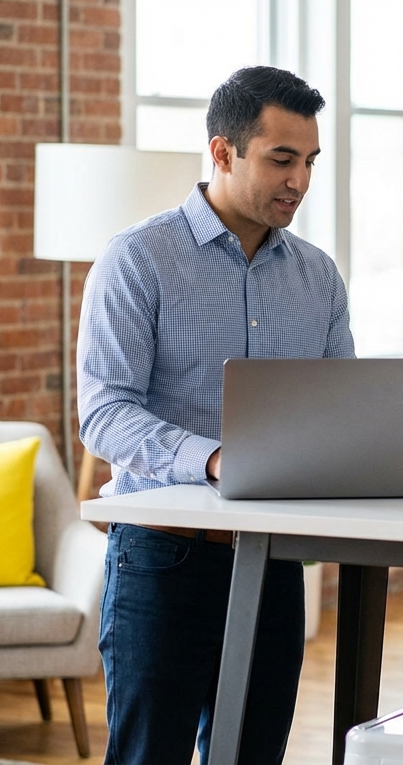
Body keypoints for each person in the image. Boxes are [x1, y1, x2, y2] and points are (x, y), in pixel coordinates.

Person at [77, 67, 352, 764]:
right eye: (281, 159)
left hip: (275, 556)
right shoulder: (139, 259)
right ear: (223, 152)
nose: (300, 180)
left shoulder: (318, 276)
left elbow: (341, 408)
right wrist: (213, 457)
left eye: (310, 161)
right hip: (164, 558)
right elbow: (105, 413)